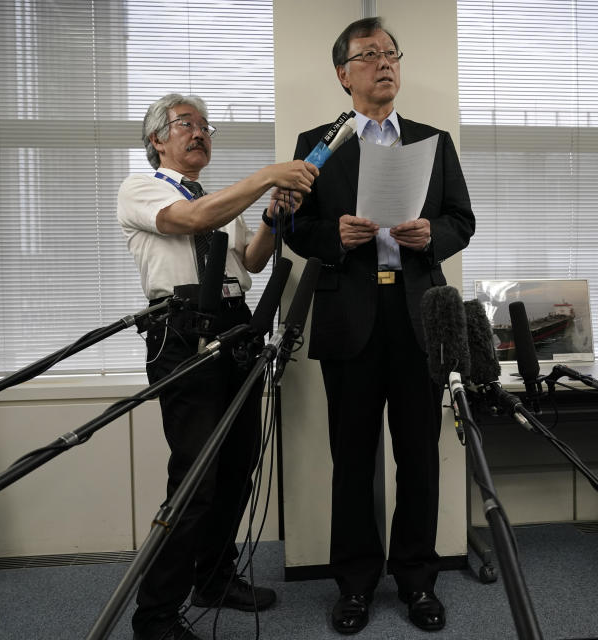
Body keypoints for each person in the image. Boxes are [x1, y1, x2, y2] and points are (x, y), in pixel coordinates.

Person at [283, 17, 475, 635]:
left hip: (418, 314)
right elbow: (292, 227)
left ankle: (417, 580)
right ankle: (356, 584)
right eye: (368, 55)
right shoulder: (318, 145)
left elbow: (462, 219)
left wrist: (432, 237)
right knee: (353, 459)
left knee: (419, 456)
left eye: (390, 53)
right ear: (344, 74)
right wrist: (332, 238)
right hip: (349, 316)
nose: (384, 63)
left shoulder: (433, 139)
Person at [117, 93, 318, 640]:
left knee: (236, 468)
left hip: (234, 329)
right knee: (195, 479)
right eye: (186, 124)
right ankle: (155, 615)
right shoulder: (142, 188)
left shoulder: (216, 198)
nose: (200, 133)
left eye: (206, 126)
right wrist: (264, 177)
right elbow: (189, 219)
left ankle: (214, 577)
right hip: (182, 331)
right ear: (158, 138)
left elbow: (249, 262)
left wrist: (275, 218)